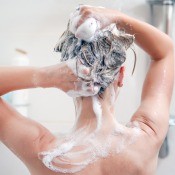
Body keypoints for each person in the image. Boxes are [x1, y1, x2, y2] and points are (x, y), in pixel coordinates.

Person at [0, 5, 174, 175]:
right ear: (121, 75)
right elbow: (166, 52)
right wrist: (117, 18)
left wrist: (46, 76)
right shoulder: (147, 137)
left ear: (64, 74)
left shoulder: (45, 154)